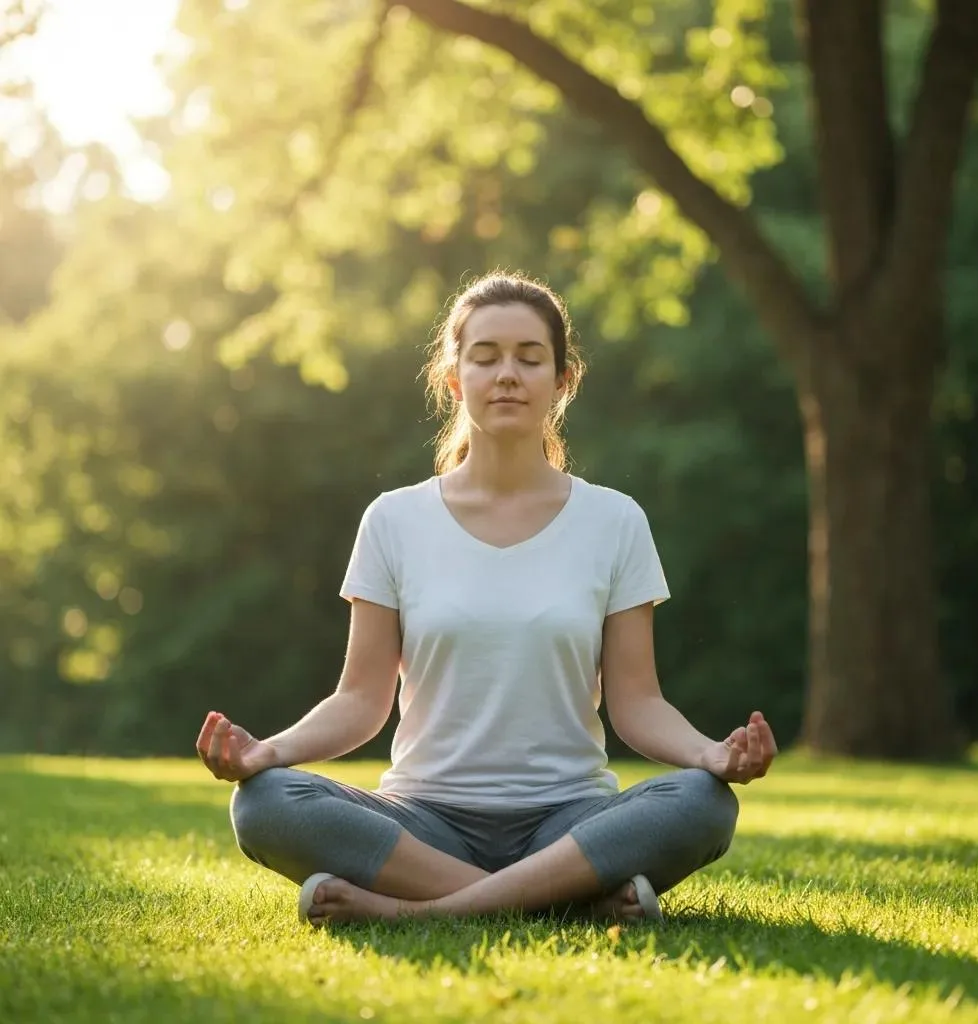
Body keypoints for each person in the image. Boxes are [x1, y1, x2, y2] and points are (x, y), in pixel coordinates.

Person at [196, 271, 777, 927]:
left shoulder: (615, 522)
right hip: (424, 822)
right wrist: (268, 753)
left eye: (530, 358)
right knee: (263, 803)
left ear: (562, 381)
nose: (507, 375)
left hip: (569, 819)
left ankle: (408, 911)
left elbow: (637, 703)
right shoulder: (393, 521)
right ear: (454, 380)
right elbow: (360, 701)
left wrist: (709, 755)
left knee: (704, 802)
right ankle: (568, 899)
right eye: (485, 357)